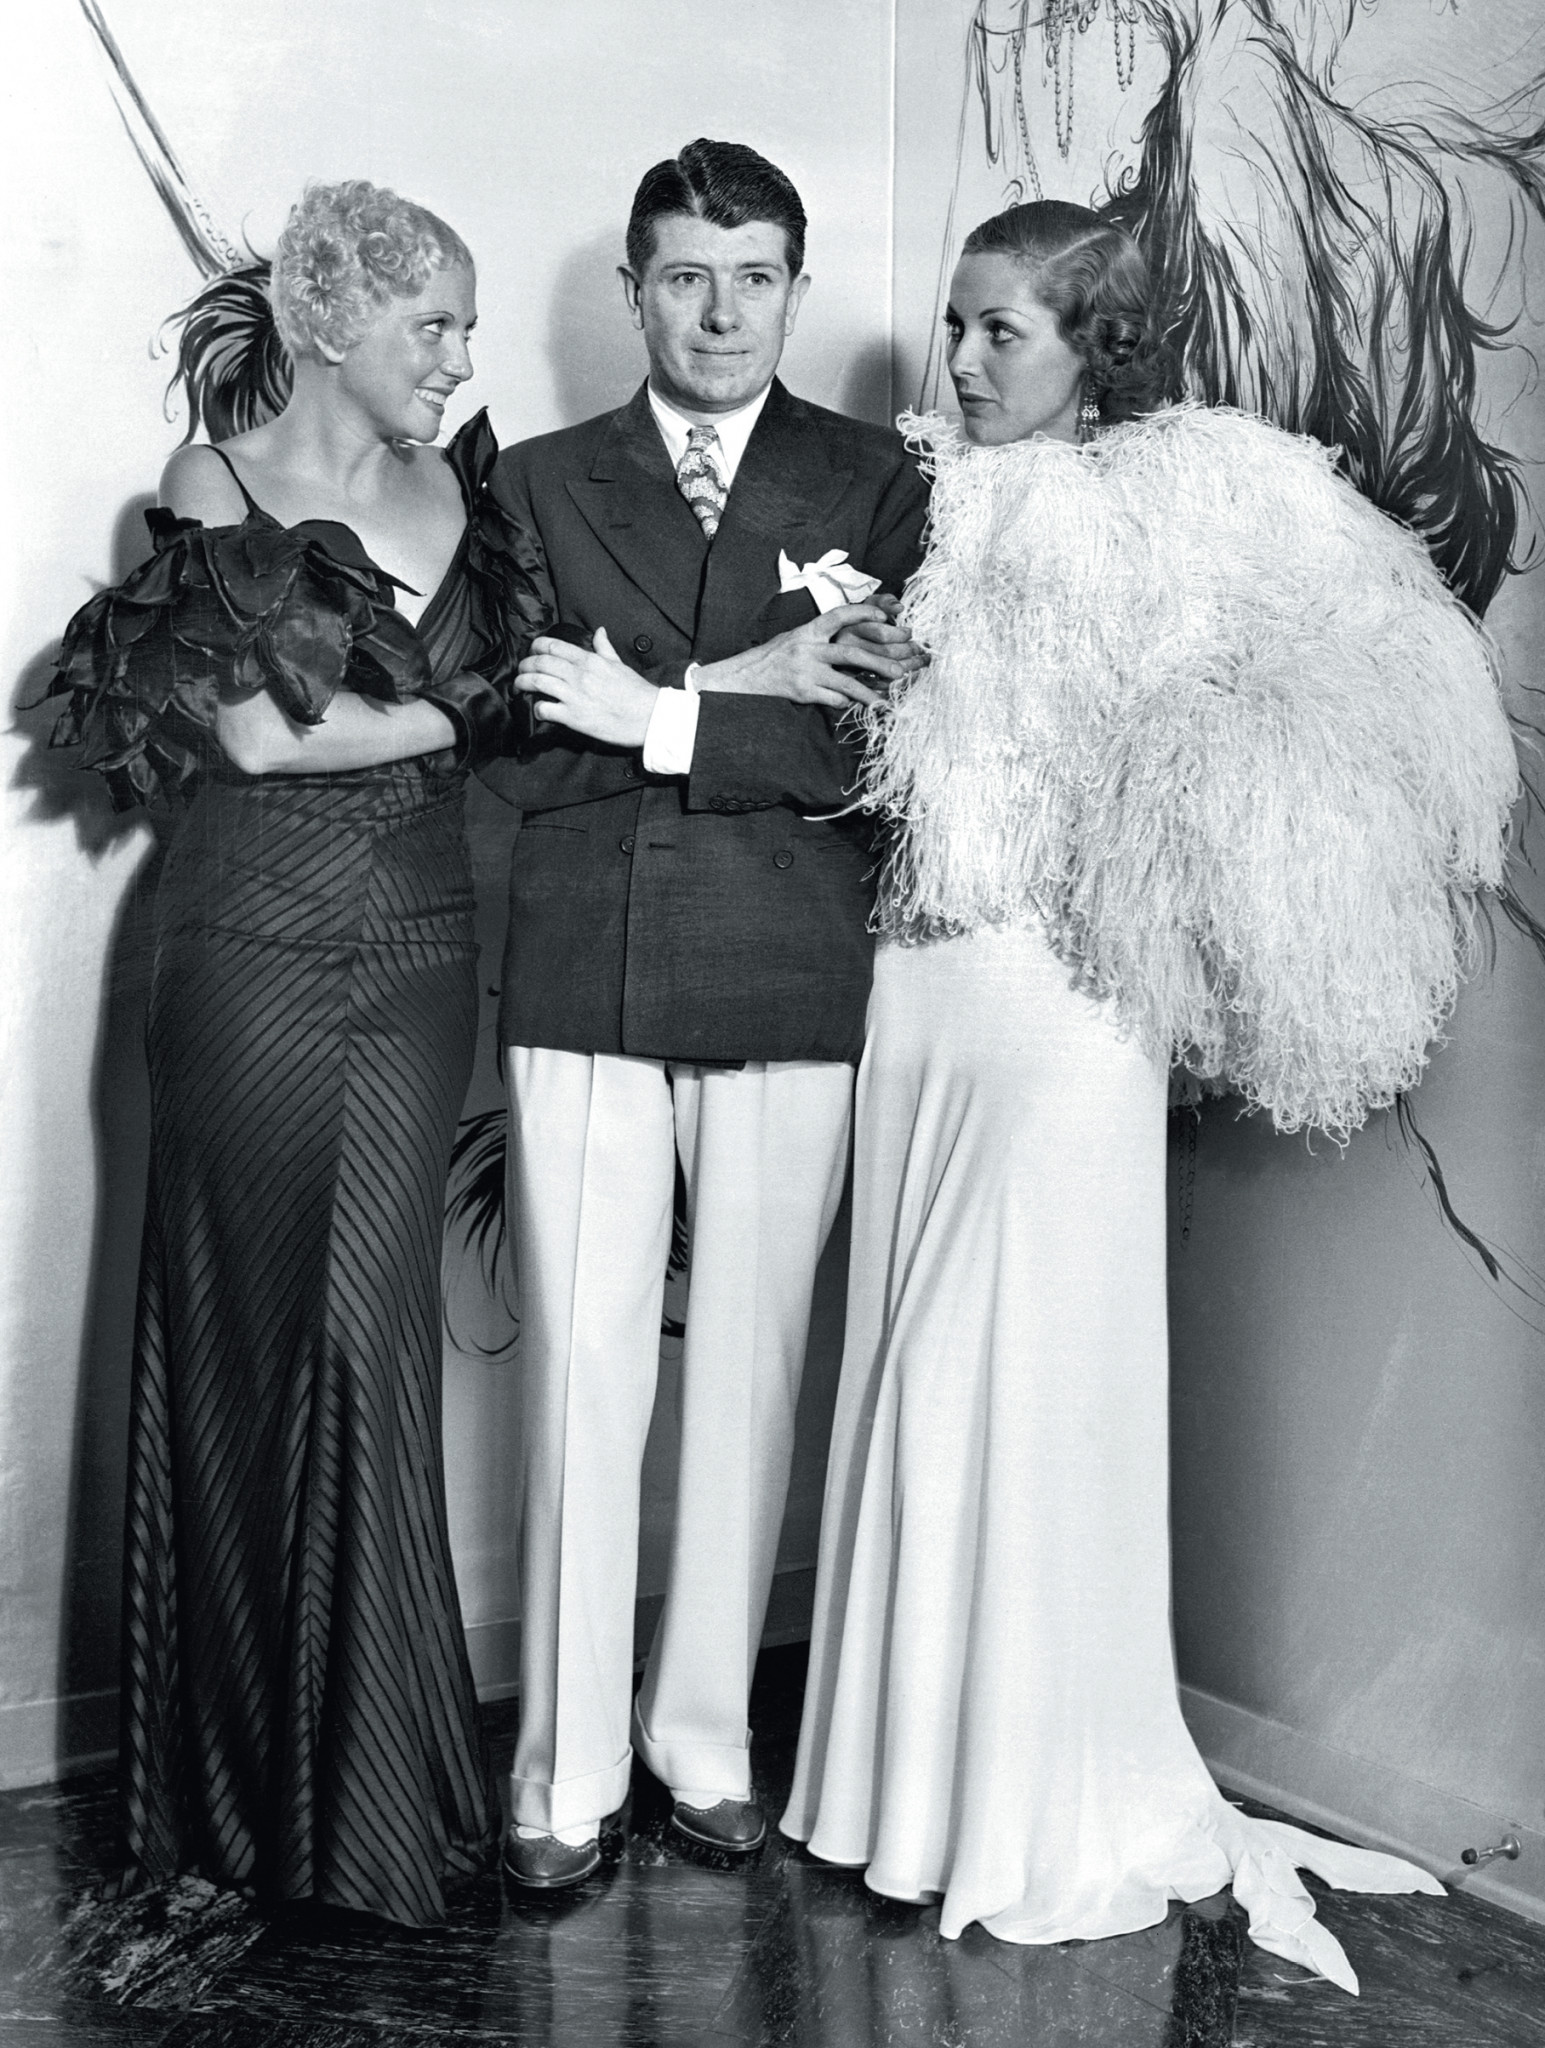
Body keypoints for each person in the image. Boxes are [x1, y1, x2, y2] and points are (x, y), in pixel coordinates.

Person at [778, 202, 1518, 1990]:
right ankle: (905, 1796)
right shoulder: (925, 490)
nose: (962, 361)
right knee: (909, 1360)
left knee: (1022, 1371)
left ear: (1094, 343)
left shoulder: (1191, 489)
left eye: (1002, 331)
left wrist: (1150, 821)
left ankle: (1033, 1797)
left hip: (1060, 998)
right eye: (956, 325)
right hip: (916, 985)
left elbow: (1357, 674)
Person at [45, 180, 546, 1925]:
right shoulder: (214, 481)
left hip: (418, 947)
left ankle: (369, 1795)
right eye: (434, 324)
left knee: (366, 1341)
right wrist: (468, 709)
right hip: (248, 942)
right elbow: (254, 743)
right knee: (250, 1338)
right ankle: (244, 1795)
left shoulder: (467, 491)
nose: (461, 358)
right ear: (329, 321)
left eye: (468, 324)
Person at [478, 139, 930, 1889]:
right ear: (634, 293)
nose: (720, 313)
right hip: (585, 955)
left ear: (795, 291)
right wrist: (743, 692)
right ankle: (564, 1774)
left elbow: (878, 745)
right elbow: (518, 736)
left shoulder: (878, 480)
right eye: (684, 277)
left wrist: (653, 711)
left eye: (752, 278)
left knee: (746, 1376)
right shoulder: (533, 481)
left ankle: (702, 1745)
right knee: (583, 1381)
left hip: (786, 963)